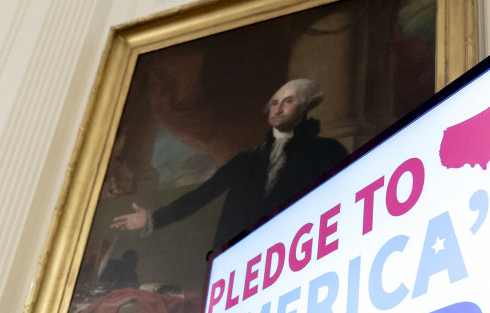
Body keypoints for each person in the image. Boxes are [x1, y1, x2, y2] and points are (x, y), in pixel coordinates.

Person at [111, 78, 348, 250]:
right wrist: (152, 217)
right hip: (239, 262)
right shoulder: (245, 162)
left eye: (288, 101)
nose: (278, 108)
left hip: (297, 253)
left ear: (304, 107)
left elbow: (341, 202)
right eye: (275, 103)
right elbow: (200, 195)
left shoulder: (327, 151)